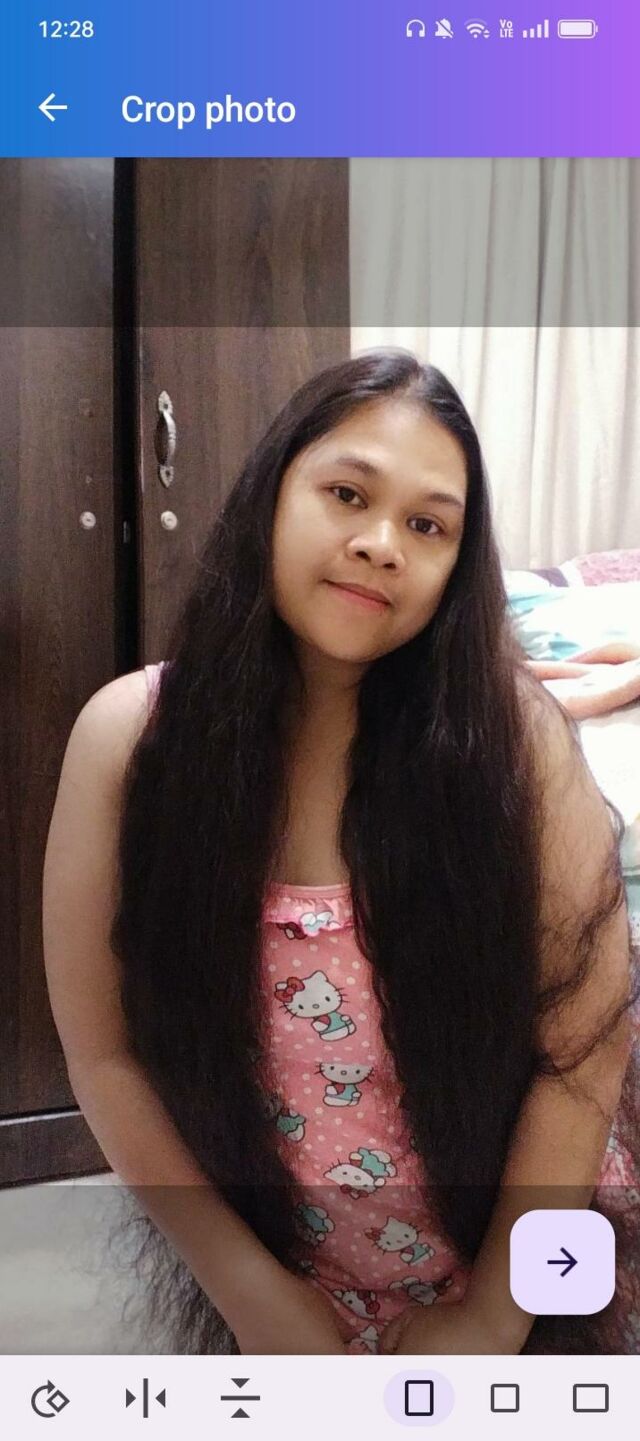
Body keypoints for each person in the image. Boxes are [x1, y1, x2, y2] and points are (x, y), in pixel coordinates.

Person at [43, 348, 640, 1356]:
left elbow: (584, 1052)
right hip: (275, 1275)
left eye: (428, 525)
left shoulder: (516, 744)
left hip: (522, 1279)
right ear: (271, 494)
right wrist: (253, 1295)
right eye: (348, 494)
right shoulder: (128, 740)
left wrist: (493, 1316)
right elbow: (106, 1055)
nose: (379, 545)